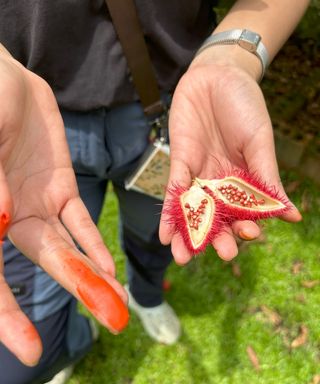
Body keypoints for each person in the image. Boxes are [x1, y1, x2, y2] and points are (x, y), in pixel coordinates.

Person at [0, 0, 306, 383]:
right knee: (35, 328)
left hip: (175, 110)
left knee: (154, 234)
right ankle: (72, 338)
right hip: (32, 124)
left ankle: (146, 295)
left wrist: (233, 55)